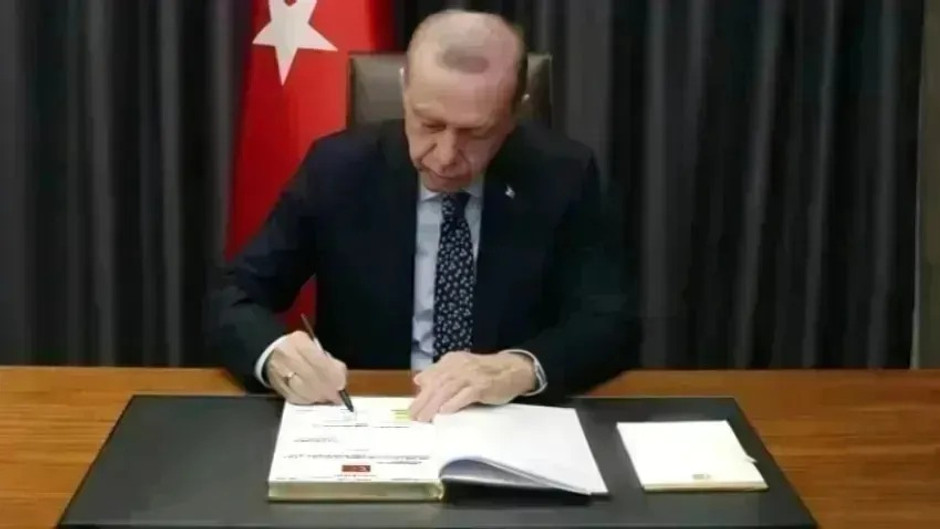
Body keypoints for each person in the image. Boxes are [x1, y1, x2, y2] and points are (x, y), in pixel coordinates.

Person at [206, 9, 637, 422]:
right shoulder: (338, 169)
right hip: (366, 414)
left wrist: (520, 368)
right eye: (430, 124)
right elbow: (235, 294)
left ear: (514, 113)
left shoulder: (563, 174)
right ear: (405, 90)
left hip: (504, 419)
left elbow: (608, 322)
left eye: (475, 133)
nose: (445, 156)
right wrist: (274, 354)